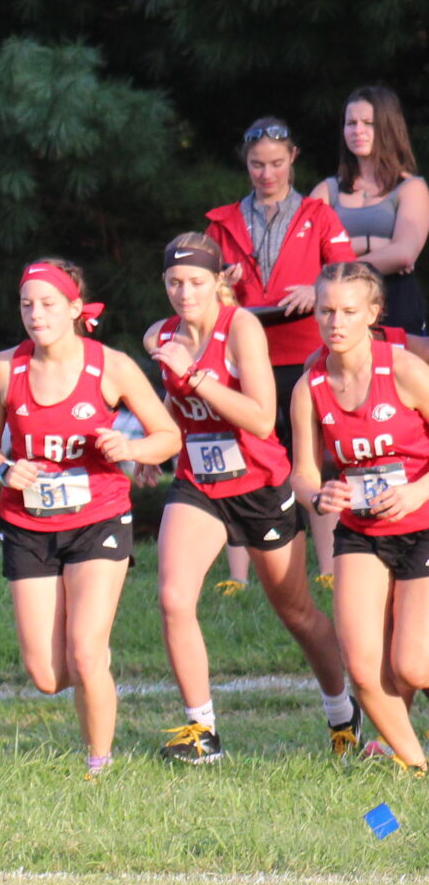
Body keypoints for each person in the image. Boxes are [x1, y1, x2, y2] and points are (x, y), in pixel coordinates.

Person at [141, 235, 354, 763]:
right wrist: (155, 445)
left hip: (259, 484)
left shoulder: (241, 329)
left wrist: (197, 377)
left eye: (195, 282)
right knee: (173, 598)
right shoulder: (161, 335)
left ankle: (341, 713)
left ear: (219, 281)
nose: (184, 293)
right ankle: (202, 732)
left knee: (297, 611)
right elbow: (173, 399)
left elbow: (262, 417)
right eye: (173, 282)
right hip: (199, 484)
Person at [0, 261, 181, 776]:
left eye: (47, 304)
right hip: (28, 523)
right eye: (26, 304)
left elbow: (169, 436)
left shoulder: (111, 366)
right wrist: (4, 469)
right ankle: (92, 679)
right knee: (46, 674)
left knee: (86, 652)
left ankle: (99, 764)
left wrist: (131, 446)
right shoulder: (5, 368)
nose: (35, 315)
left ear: (73, 308)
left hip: (99, 517)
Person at [291, 263, 429, 770]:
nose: (336, 322)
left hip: (423, 526)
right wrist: (318, 495)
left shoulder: (405, 370)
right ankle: (415, 767)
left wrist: (417, 491)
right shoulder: (309, 387)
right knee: (364, 669)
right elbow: (301, 474)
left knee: (412, 664)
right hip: (361, 532)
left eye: (349, 312)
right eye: (326, 311)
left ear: (373, 314)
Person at [206, 116, 353, 576]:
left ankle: (328, 568)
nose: (266, 174)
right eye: (256, 165)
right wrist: (220, 284)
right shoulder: (223, 221)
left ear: (292, 159)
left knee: (317, 461)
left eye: (274, 163)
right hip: (247, 356)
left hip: (306, 351)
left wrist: (317, 288)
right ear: (245, 165)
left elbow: (347, 278)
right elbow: (200, 289)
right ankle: (239, 575)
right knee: (242, 458)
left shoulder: (318, 215)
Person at [316, 87, 429, 337]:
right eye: (351, 123)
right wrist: (370, 243)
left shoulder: (411, 188)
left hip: (396, 304)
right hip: (339, 312)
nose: (358, 131)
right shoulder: (327, 189)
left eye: (369, 123)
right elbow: (308, 253)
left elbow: (403, 254)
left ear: (388, 127)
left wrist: (340, 267)